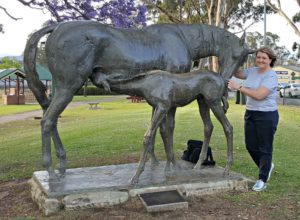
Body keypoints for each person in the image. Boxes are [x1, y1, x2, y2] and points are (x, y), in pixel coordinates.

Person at [228, 47, 279, 192]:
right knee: (250, 146)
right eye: (259, 57)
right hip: (250, 113)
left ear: (270, 60)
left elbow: (259, 95)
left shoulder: (271, 76)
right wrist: (236, 57)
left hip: (267, 115)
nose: (261, 60)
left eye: (264, 58)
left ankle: (262, 179)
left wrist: (238, 87)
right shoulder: (252, 71)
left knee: (265, 148)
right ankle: (267, 165)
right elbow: (237, 72)